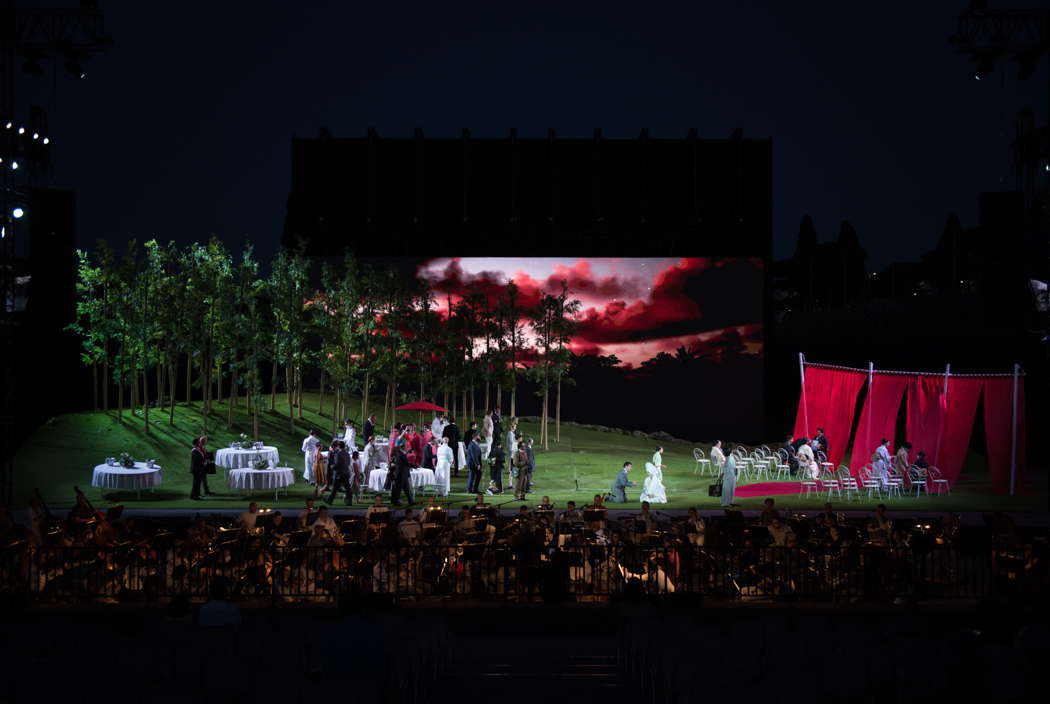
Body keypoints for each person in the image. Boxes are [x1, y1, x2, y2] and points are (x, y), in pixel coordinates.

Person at [190, 436, 213, 500]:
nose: (200, 443)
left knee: (197, 483)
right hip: (196, 469)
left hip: (199, 469)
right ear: (197, 443)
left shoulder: (198, 449)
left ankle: (195, 495)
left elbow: (201, 457)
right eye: (199, 442)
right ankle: (195, 496)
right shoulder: (195, 450)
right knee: (196, 483)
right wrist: (205, 461)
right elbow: (196, 461)